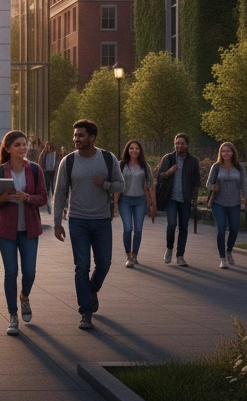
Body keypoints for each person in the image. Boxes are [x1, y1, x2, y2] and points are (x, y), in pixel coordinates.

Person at [53, 119, 124, 331]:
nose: (76, 139)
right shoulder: (69, 161)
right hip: (78, 221)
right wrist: (57, 223)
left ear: (92, 137)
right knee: (81, 266)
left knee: (104, 263)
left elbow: (121, 184)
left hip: (102, 220)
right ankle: (85, 312)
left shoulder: (107, 158)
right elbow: (59, 194)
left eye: (80, 136)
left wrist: (106, 184)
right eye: (75, 135)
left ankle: (91, 290)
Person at [0, 131, 47, 336]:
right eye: (18, 145)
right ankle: (12, 316)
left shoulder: (35, 169)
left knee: (29, 272)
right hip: (6, 230)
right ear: (8, 149)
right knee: (10, 272)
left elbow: (43, 198)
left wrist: (27, 198)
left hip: (29, 228)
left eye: (24, 144)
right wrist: (3, 197)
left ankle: (24, 297)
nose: (23, 148)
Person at [155, 133, 201, 267]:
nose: (179, 145)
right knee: (171, 224)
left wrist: (194, 199)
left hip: (185, 199)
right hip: (171, 198)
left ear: (187, 145)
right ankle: (169, 248)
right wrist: (169, 172)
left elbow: (196, 181)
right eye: (177, 143)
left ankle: (180, 255)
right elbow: (159, 177)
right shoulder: (168, 158)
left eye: (181, 143)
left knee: (184, 227)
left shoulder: (193, 161)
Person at [206, 141, 247, 269]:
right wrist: (215, 187)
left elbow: (244, 184)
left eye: (228, 151)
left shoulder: (239, 167)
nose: (226, 153)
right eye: (223, 151)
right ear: (220, 153)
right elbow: (208, 184)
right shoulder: (216, 166)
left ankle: (229, 250)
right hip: (218, 203)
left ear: (233, 153)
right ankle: (222, 258)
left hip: (234, 203)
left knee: (234, 230)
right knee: (221, 230)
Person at [114, 139, 156, 268]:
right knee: (128, 228)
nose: (134, 150)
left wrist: (153, 205)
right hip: (125, 200)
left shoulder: (144, 166)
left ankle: (134, 255)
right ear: (127, 150)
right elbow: (116, 184)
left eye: (137, 148)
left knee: (138, 230)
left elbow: (150, 185)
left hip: (140, 201)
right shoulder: (121, 165)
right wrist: (115, 203)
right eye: (131, 148)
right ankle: (128, 255)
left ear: (140, 151)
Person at [38, 141, 59, 207]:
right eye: (47, 145)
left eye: (49, 145)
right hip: (46, 171)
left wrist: (56, 167)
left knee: (53, 184)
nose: (48, 147)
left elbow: (58, 160)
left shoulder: (55, 152)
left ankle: (54, 198)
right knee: (47, 185)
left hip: (53, 171)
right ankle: (47, 199)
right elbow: (40, 160)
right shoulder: (44, 153)